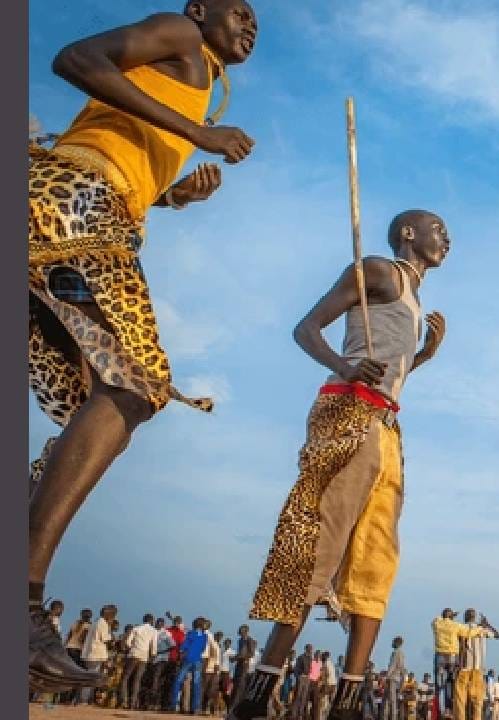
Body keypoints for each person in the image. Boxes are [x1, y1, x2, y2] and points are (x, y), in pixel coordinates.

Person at [27, 1, 258, 689]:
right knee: (135, 385)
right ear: (199, 9)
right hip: (73, 204)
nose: (250, 24)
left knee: (86, 414)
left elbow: (116, 142)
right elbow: (73, 59)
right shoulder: (181, 33)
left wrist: (172, 193)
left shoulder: (200, 73)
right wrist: (199, 132)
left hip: (73, 211)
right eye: (238, 10)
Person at [227, 210, 450, 720]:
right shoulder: (377, 271)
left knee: (377, 556)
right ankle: (259, 692)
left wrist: (423, 357)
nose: (448, 239)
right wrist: (343, 365)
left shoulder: (414, 297)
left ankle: (348, 700)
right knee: (319, 546)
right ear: (409, 234)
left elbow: (389, 371)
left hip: (387, 424)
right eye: (439, 229)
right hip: (349, 412)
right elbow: (306, 329)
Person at [456, 612, 499, 720]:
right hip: (478, 669)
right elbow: (498, 635)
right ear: (474, 617)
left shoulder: (461, 628)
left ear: (465, 617)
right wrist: (487, 624)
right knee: (477, 701)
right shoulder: (482, 629)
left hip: (465, 668)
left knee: (461, 700)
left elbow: (460, 647)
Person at [121, 613, 158, 709]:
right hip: (144, 657)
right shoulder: (153, 631)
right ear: (151, 621)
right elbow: (153, 647)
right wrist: (152, 656)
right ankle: (133, 703)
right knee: (137, 680)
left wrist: (132, 647)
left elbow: (128, 642)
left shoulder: (136, 628)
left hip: (133, 654)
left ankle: (123, 701)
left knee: (125, 678)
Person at [433, 608, 464, 715]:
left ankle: (439, 710)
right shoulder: (456, 625)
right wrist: (452, 618)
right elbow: (466, 632)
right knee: (450, 684)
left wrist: (449, 617)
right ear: (451, 616)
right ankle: (448, 710)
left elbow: (435, 619)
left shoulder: (437, 623)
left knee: (440, 684)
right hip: (452, 657)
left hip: (440, 657)